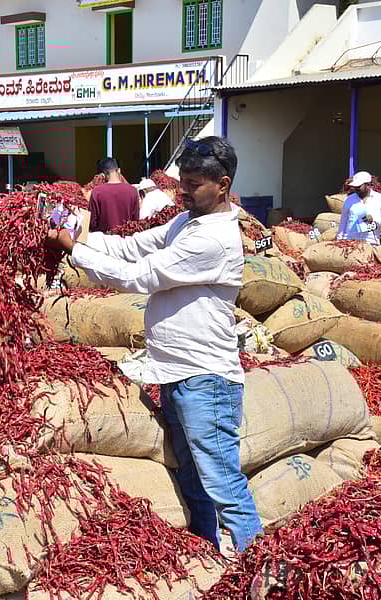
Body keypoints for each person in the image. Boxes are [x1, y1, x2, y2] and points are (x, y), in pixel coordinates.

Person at [46, 136, 263, 553]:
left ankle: (255, 561)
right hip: (174, 372)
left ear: (223, 184)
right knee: (192, 476)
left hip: (206, 378)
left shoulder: (214, 239)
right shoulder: (187, 223)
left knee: (220, 478)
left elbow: (142, 275)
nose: (183, 190)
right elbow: (131, 247)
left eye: (195, 184)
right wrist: (83, 236)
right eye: (183, 181)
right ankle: (206, 551)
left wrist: (76, 252)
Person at [336, 171, 381, 245]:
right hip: (350, 241)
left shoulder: (380, 199)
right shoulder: (349, 200)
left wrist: (374, 220)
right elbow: (343, 222)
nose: (356, 189)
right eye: (355, 187)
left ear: (368, 185)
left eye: (359, 186)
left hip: (370, 242)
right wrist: (339, 240)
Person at [88, 157, 140, 232]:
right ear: (119, 170)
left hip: (105, 240)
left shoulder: (97, 192)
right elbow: (135, 220)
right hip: (126, 239)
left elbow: (92, 222)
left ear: (103, 175)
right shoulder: (133, 191)